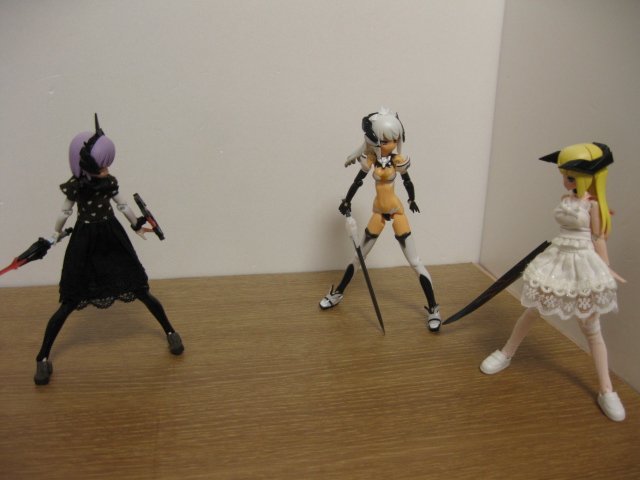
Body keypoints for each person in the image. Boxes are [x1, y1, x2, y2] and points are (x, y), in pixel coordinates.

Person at [480, 143, 626, 421]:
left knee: (591, 327)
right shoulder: (567, 198)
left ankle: (607, 390)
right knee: (533, 309)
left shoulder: (594, 205)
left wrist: (606, 267)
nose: (566, 181)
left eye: (571, 176)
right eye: (565, 176)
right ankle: (506, 353)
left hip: (582, 263)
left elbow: (598, 238)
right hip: (558, 259)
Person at [34, 115, 184, 385]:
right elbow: (65, 212)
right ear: (84, 163)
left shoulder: (109, 183)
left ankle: (171, 331)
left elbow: (123, 205)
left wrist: (136, 225)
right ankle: (42, 357)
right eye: (101, 164)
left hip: (112, 237)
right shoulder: (77, 186)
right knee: (70, 300)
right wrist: (55, 234)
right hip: (84, 241)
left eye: (107, 163)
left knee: (139, 288)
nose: (106, 169)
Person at [319, 108, 441, 331]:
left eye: (394, 139)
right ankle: (337, 293)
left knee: (415, 261)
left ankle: (434, 308)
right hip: (378, 212)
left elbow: (407, 181)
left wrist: (412, 199)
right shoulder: (372, 160)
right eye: (385, 140)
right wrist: (347, 201)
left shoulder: (398, 160)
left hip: (396, 211)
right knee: (358, 257)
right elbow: (357, 182)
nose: (391, 144)